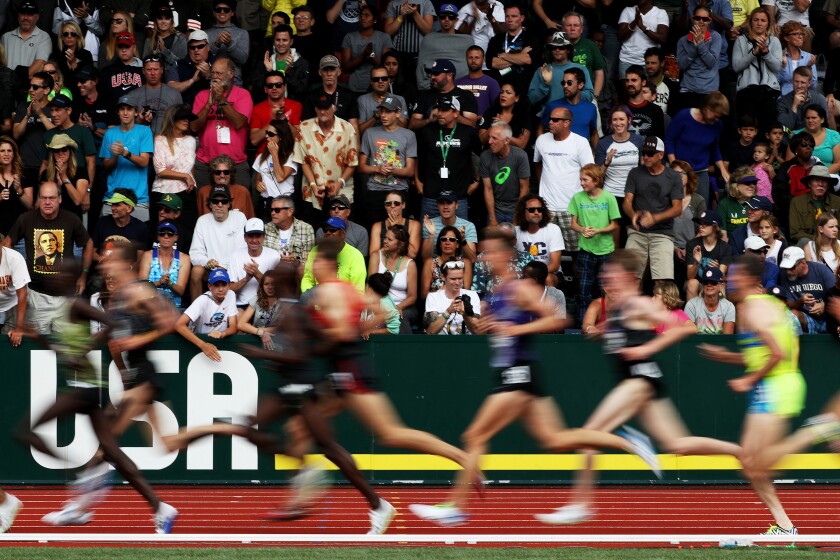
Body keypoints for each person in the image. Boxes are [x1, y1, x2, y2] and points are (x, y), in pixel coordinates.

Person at [411, 233, 659, 525]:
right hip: (519, 374)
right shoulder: (499, 292)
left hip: (518, 374)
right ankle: (624, 440)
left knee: (475, 436)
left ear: (505, 256)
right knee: (554, 439)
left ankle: (456, 506)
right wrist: (487, 324)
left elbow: (558, 319)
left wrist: (517, 330)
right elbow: (489, 332)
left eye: (490, 253)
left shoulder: (520, 288)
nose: (485, 259)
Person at [539, 250, 741, 525]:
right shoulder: (619, 309)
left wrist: (648, 346)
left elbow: (686, 327)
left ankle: (582, 502)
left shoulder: (639, 305)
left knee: (589, 436)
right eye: (605, 276)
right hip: (643, 383)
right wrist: (601, 334)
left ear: (628, 278)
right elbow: (615, 333)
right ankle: (739, 451)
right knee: (676, 444)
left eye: (612, 275)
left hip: (639, 381)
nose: (606, 280)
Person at [18, 260, 179, 533]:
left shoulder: (79, 304)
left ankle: (74, 489)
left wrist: (116, 339)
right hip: (85, 387)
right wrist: (40, 339)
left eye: (60, 274)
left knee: (24, 431)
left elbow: (112, 323)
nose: (54, 278)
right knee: (112, 452)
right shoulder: (69, 306)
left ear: (71, 278)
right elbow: (69, 349)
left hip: (86, 388)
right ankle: (160, 507)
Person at [698, 254, 805, 535]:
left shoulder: (753, 310)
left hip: (775, 386)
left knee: (756, 461)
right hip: (773, 384)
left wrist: (749, 380)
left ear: (748, 279)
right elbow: (761, 354)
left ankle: (818, 432)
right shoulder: (760, 305)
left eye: (733, 275)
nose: (729, 279)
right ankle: (784, 525)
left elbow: (777, 353)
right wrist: (726, 357)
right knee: (750, 462)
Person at [3, 182, 91, 332]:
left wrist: (83, 275)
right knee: (38, 349)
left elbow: (88, 244)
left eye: (52, 198)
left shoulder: (71, 219)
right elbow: (6, 245)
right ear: (38, 199)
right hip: (36, 296)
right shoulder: (26, 218)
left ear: (60, 199)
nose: (48, 202)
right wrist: (13, 273)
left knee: (66, 348)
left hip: (66, 297)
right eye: (43, 198)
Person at [533, 106, 594, 255]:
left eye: (555, 120)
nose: (550, 123)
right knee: (544, 252)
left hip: (572, 208)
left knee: (576, 252)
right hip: (547, 208)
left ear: (567, 123)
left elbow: (589, 173)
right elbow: (538, 164)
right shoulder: (542, 140)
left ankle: (576, 279)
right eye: (550, 119)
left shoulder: (580, 142)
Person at [624, 136, 684, 284]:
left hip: (663, 233)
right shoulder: (635, 173)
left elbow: (678, 208)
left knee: (662, 281)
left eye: (650, 154)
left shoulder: (673, 176)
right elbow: (627, 201)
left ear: (661, 155)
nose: (645, 156)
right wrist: (633, 215)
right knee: (630, 280)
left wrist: (654, 218)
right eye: (644, 153)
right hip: (637, 232)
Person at [569, 164, 620, 326]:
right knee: (584, 289)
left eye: (585, 180)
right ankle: (585, 325)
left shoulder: (608, 198)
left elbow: (615, 225)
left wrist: (598, 231)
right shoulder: (578, 198)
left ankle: (605, 324)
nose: (582, 183)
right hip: (585, 250)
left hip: (605, 250)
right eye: (581, 179)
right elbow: (573, 224)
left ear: (596, 180)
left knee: (604, 288)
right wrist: (583, 229)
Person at [190, 57, 253, 188]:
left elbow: (238, 123)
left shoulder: (243, 94)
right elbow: (194, 127)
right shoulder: (202, 96)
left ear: (231, 73)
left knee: (239, 204)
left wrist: (222, 100)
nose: (215, 77)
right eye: (213, 73)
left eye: (219, 73)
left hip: (236, 162)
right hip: (205, 162)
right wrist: (208, 105)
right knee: (204, 203)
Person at [294, 93, 358, 219]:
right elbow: (303, 161)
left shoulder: (347, 128)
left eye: (326, 108)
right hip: (312, 192)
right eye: (319, 108)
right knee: (314, 232)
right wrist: (313, 185)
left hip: (341, 191)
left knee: (340, 231)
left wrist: (340, 183)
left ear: (334, 107)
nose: (323, 112)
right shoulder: (304, 127)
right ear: (315, 109)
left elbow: (352, 163)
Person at [358, 95, 416, 226]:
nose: (383, 115)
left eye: (388, 111)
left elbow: (410, 171)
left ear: (398, 113)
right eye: (381, 111)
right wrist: (377, 169)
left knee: (398, 232)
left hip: (399, 190)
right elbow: (361, 166)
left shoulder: (409, 135)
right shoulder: (369, 133)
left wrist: (391, 170)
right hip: (375, 190)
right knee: (374, 229)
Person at [665, 92, 730, 204]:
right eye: (715, 115)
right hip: (679, 170)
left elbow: (715, 149)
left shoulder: (717, 125)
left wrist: (723, 171)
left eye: (719, 117)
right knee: (675, 204)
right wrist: (674, 165)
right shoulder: (684, 116)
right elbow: (669, 140)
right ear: (707, 108)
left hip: (700, 172)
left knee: (701, 206)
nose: (716, 119)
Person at [99, 96, 154, 221]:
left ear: (136, 112)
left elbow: (145, 161)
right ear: (117, 112)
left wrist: (125, 153)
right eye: (122, 109)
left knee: (139, 239)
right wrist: (115, 156)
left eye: (129, 109)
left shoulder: (144, 131)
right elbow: (106, 166)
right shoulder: (110, 133)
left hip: (138, 198)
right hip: (113, 197)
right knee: (109, 239)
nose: (125, 112)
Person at [189, 184, 247, 299]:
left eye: (224, 201)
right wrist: (207, 262)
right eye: (215, 201)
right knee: (196, 271)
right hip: (210, 270)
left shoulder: (239, 217)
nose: (219, 205)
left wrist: (223, 265)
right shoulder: (202, 221)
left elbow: (242, 249)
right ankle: (195, 313)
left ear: (229, 203)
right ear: (210, 204)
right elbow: (195, 252)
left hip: (233, 268)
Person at [732, 7, 782, 132]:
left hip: (768, 91)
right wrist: (753, 53)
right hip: (747, 91)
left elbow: (776, 67)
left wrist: (766, 52)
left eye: (763, 20)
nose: (759, 23)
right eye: (756, 20)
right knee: (748, 129)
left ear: (768, 24)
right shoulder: (740, 40)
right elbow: (736, 66)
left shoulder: (774, 41)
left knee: (767, 130)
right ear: (750, 22)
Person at [176, 267, 238, 361]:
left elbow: (233, 326)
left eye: (224, 285)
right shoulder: (202, 300)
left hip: (220, 339)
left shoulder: (231, 295)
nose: (221, 289)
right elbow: (179, 325)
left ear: (229, 285)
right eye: (216, 285)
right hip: (200, 339)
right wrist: (203, 345)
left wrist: (222, 333)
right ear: (210, 286)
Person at [594, 105, 644, 213]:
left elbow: (644, 168)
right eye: (615, 120)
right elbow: (597, 175)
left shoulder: (639, 140)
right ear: (611, 122)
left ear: (629, 120)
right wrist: (606, 162)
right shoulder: (603, 143)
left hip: (633, 194)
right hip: (610, 194)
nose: (618, 123)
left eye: (621, 119)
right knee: (613, 228)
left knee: (631, 228)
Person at [527, 31, 594, 112]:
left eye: (561, 47)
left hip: (574, 116)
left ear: (568, 50)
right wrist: (545, 85)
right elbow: (531, 99)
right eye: (554, 47)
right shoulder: (542, 71)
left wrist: (573, 92)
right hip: (549, 119)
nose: (557, 50)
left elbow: (589, 95)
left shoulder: (581, 69)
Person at [227, 218, 281, 314]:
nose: (254, 240)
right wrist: (246, 279)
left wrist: (257, 273)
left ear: (264, 237)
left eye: (258, 236)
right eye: (250, 236)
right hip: (242, 305)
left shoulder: (274, 255)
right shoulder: (235, 255)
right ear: (245, 238)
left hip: (267, 304)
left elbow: (277, 289)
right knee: (238, 320)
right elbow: (229, 289)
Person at [480, 121, 529, 226]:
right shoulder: (485, 156)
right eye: (489, 137)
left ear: (507, 140)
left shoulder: (520, 156)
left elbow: (524, 188)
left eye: (494, 138)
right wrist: (492, 218)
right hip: (496, 208)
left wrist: (517, 216)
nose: (489, 141)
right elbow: (487, 189)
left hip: (516, 206)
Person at [368, 224, 418, 327]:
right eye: (385, 238)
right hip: (378, 305)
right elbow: (370, 288)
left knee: (397, 317)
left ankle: (404, 343)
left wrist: (395, 308)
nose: (385, 241)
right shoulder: (376, 256)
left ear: (400, 244)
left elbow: (412, 297)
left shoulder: (410, 264)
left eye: (389, 239)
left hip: (403, 306)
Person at [779, 245, 836, 334]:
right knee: (790, 314)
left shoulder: (821, 270)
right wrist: (800, 301)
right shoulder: (784, 275)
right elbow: (788, 305)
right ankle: (797, 346)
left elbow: (837, 295)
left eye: (791, 267)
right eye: (785, 268)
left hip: (829, 319)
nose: (788, 272)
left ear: (803, 262)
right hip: (807, 319)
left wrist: (824, 305)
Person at [300, 217, 366, 293]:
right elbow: (307, 279)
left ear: (343, 234)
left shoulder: (355, 255)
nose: (328, 232)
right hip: (318, 299)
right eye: (325, 230)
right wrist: (311, 297)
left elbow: (358, 290)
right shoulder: (315, 251)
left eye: (333, 230)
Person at [414, 4, 472, 91]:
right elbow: (421, 67)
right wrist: (426, 88)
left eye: (451, 17)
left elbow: (473, 66)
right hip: (434, 87)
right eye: (443, 17)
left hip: (462, 89)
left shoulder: (467, 40)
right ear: (438, 18)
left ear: (456, 20)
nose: (446, 20)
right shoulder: (429, 39)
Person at [411, 58, 479, 130]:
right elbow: (412, 125)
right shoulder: (425, 95)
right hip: (430, 139)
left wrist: (451, 115)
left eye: (436, 74)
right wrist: (429, 120)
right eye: (431, 74)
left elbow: (472, 124)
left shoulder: (466, 95)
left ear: (449, 75)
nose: (432, 77)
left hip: (458, 139)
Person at [538, 67, 598, 149]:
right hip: (557, 155)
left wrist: (598, 158)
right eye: (563, 83)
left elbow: (594, 133)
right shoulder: (552, 106)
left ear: (580, 85)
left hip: (581, 157)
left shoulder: (591, 108)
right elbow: (540, 129)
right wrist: (543, 149)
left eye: (569, 83)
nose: (565, 86)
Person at [122, 55, 184, 135]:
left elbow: (181, 122)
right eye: (149, 70)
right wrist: (140, 120)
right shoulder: (132, 95)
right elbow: (125, 127)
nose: (152, 73)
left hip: (168, 141)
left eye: (156, 69)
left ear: (162, 70)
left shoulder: (175, 94)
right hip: (142, 142)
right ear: (143, 71)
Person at [675, 6, 723, 108]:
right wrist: (694, 46)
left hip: (709, 91)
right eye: (698, 18)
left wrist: (700, 44)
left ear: (709, 21)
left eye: (705, 19)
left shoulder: (715, 37)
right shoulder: (683, 41)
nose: (701, 21)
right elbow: (682, 66)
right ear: (693, 19)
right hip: (688, 90)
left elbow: (711, 63)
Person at [485, 3, 539, 89]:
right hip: (499, 88)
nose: (510, 20)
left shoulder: (531, 38)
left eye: (514, 16)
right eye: (507, 16)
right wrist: (520, 54)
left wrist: (503, 55)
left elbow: (527, 59)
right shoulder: (496, 39)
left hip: (523, 88)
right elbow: (492, 63)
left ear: (522, 18)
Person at [138, 220, 191, 307]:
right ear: (158, 237)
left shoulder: (184, 258)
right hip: (150, 306)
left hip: (173, 308)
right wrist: (159, 282)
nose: (166, 236)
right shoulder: (147, 255)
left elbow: (181, 291)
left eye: (170, 234)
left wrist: (169, 283)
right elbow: (142, 286)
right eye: (162, 234)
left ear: (176, 237)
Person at [252, 118, 298, 218]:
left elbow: (280, 178)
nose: (267, 136)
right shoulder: (262, 156)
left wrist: (274, 154)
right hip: (266, 202)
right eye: (266, 132)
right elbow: (258, 179)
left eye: (271, 134)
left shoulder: (291, 156)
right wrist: (257, 184)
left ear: (281, 136)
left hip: (284, 203)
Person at [341, 6, 393, 94]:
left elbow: (387, 68)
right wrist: (363, 56)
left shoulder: (384, 38)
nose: (363, 18)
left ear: (375, 20)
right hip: (355, 87)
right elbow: (345, 67)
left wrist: (371, 55)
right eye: (361, 15)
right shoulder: (349, 37)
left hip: (378, 87)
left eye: (367, 15)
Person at [424, 258, 481, 335]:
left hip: (467, 343)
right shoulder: (433, 297)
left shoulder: (472, 295)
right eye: (453, 279)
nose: (457, 282)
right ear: (443, 277)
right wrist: (448, 312)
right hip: (442, 344)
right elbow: (430, 332)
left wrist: (465, 314)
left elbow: (477, 331)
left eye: (460, 278)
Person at [41, 133, 90, 220]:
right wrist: (58, 186)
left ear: (70, 151)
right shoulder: (46, 173)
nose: (60, 153)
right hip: (50, 220)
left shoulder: (80, 172)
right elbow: (41, 202)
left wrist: (64, 177)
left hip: (72, 220)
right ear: (52, 153)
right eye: (56, 150)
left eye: (64, 149)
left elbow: (78, 200)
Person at [616, 0, 669, 78]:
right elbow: (620, 36)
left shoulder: (660, 13)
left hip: (650, 63)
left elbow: (662, 38)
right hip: (627, 60)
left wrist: (643, 27)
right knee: (628, 89)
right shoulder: (627, 11)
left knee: (649, 89)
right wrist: (634, 22)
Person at [1, 1, 52, 80]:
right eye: (23, 14)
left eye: (30, 15)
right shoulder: (6, 37)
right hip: (6, 86)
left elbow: (40, 64)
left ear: (37, 17)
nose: (25, 18)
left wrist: (17, 82)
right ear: (18, 15)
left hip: (31, 87)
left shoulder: (44, 37)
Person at [789, 166, 840, 244]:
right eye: (816, 180)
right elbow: (795, 233)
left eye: (824, 181)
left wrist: (829, 239)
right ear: (809, 183)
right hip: (808, 243)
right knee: (803, 241)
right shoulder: (797, 202)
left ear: (828, 185)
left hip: (832, 242)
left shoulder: (837, 201)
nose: (820, 184)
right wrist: (819, 239)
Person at [477, 78, 532, 150]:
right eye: (501, 92)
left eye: (508, 92)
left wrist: (502, 130)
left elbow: (521, 144)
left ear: (517, 98)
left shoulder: (524, 116)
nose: (503, 95)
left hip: (513, 157)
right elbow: (481, 140)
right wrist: (493, 127)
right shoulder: (491, 112)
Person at [257, 25, 309, 101]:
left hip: (293, 108)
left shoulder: (302, 63)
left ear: (291, 42)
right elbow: (257, 91)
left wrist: (288, 73)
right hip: (270, 108)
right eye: (278, 40)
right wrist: (267, 72)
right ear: (273, 42)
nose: (281, 43)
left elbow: (301, 91)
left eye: (284, 40)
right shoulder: (266, 62)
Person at [357, 67, 409, 138]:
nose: (380, 81)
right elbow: (359, 131)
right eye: (376, 79)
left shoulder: (399, 99)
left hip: (394, 140)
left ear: (389, 80)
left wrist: (389, 108)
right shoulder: (362, 100)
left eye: (384, 78)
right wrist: (377, 115)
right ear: (371, 82)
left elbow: (404, 128)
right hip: (371, 140)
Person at [262, 195, 314, 266]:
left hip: (295, 273)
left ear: (290, 212)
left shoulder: (306, 229)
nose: (272, 213)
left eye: (277, 210)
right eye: (272, 210)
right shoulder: (266, 228)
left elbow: (308, 262)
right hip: (272, 271)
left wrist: (295, 261)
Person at [787, 105, 840, 173]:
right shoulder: (795, 135)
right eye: (807, 118)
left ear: (822, 119)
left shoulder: (833, 135)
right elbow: (789, 163)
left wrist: (819, 175)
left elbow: (838, 164)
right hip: (801, 176)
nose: (810, 120)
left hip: (829, 176)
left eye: (814, 118)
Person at [369, 190, 421, 259]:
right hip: (384, 264)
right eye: (388, 203)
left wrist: (398, 229)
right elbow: (373, 256)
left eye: (396, 203)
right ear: (385, 206)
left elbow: (413, 255)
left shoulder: (414, 225)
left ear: (403, 205)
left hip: (405, 265)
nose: (392, 206)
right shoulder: (377, 226)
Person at [206, 0, 249, 83]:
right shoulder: (205, 33)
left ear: (232, 12)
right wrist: (216, 45)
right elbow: (202, 59)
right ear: (214, 12)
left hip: (234, 82)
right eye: (218, 9)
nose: (222, 12)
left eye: (226, 10)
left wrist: (230, 44)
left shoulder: (242, 33)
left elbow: (243, 59)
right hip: (211, 82)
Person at [685, 266, 736, 333]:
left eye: (713, 282)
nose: (709, 285)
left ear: (721, 286)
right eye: (706, 282)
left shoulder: (728, 307)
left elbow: (727, 337)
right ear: (703, 285)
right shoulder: (691, 304)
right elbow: (690, 337)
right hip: (697, 343)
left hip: (720, 343)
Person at [167, 30, 212, 106]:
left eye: (200, 46)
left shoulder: (218, 62)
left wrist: (209, 75)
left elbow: (227, 87)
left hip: (212, 113)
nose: (196, 50)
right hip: (186, 112)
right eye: (192, 47)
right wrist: (192, 80)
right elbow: (170, 89)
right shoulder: (178, 64)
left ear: (208, 47)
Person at [777, 68, 829, 132]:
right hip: (792, 138)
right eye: (796, 81)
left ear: (809, 83)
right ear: (792, 81)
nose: (799, 86)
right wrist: (794, 107)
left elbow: (825, 125)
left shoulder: (819, 99)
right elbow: (784, 129)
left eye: (803, 82)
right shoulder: (782, 102)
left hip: (814, 137)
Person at [237, 269, 281, 344]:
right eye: (266, 284)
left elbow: (282, 329)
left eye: (273, 284)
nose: (270, 287)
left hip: (276, 339)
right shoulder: (257, 299)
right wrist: (261, 332)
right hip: (256, 335)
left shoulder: (283, 302)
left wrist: (260, 330)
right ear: (262, 286)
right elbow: (241, 324)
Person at [455, 46, 500, 117]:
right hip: (460, 125)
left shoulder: (492, 83)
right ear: (466, 59)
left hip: (484, 125)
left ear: (483, 60)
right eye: (470, 57)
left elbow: (497, 108)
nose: (473, 61)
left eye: (477, 57)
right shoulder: (456, 83)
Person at [0, 137, 32, 236]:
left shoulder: (24, 174)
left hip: (20, 234)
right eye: (2, 151)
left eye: (9, 151)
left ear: (14, 154)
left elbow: (29, 205)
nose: (6, 154)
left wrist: (19, 190)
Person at [777, 20, 817, 96]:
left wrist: (808, 67)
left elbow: (814, 85)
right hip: (785, 98)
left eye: (801, 34)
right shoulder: (779, 56)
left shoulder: (808, 57)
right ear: (786, 38)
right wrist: (783, 67)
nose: (800, 36)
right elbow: (775, 83)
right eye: (796, 34)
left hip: (804, 98)